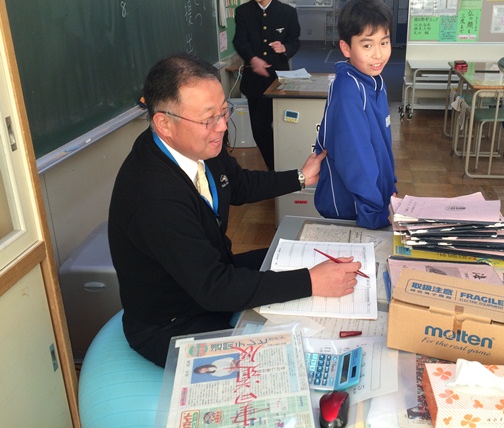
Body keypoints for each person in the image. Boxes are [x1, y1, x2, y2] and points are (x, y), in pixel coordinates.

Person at [108, 53, 361, 367]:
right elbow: (214, 288)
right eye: (209, 119)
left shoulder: (199, 146)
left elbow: (237, 184)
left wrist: (300, 178)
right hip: (173, 322)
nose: (222, 126)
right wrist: (311, 282)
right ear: (164, 124)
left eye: (224, 111)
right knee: (284, 360)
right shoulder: (153, 196)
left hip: (209, 280)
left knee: (305, 255)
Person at [314, 0, 397, 230]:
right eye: (367, 45)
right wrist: (373, 212)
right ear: (346, 48)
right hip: (354, 209)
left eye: (384, 42)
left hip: (375, 200)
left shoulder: (375, 81)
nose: (378, 54)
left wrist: (389, 188)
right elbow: (355, 160)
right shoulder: (349, 90)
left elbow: (380, 146)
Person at [233, 0, 301, 170]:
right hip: (254, 81)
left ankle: (281, 166)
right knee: (259, 128)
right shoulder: (243, 12)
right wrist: (253, 59)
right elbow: (240, 41)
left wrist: (285, 48)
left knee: (281, 125)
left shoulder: (287, 12)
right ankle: (276, 168)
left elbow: (295, 40)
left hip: (279, 81)